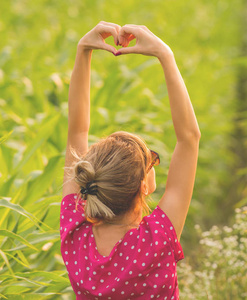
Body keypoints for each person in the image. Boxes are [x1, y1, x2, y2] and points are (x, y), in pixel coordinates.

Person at [61, 21, 201, 299]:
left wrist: (82, 50)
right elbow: (189, 138)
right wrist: (164, 54)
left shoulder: (76, 235)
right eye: (151, 161)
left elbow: (77, 130)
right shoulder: (156, 239)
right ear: (143, 186)